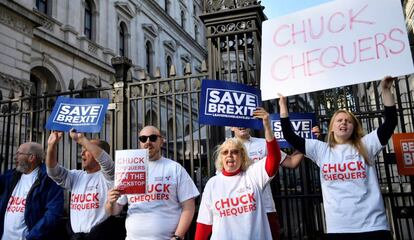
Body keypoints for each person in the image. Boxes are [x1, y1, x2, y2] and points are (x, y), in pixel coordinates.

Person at [278, 76, 397, 240]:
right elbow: (291, 137)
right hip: (339, 228)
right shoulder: (320, 149)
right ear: (332, 127)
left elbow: (390, 123)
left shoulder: (366, 145)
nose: (344, 123)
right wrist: (283, 107)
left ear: (353, 127)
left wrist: (385, 90)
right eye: (339, 120)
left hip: (373, 226)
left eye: (348, 121)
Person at [195, 107, 282, 240]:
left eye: (235, 152)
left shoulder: (253, 175)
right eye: (225, 152)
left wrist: (267, 127)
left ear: (242, 156)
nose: (230, 155)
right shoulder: (213, 183)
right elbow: (204, 224)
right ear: (221, 158)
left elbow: (274, 159)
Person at [105, 125, 199, 240]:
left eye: (153, 138)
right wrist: (110, 202)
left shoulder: (174, 168)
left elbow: (189, 207)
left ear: (161, 141)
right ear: (140, 142)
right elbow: (115, 211)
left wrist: (178, 236)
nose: (148, 142)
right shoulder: (128, 169)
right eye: (143, 139)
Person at [231, 109, 304, 240]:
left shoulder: (264, 143)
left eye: (246, 119)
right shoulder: (226, 149)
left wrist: (306, 142)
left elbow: (292, 162)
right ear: (231, 126)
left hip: (265, 208)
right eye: (237, 120)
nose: (242, 124)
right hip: (238, 211)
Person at [46, 129, 115, 240]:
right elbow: (52, 172)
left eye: (87, 149)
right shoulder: (76, 176)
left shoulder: (108, 176)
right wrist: (51, 146)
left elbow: (106, 162)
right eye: (82, 149)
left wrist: (81, 139)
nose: (82, 152)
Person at [0, 142, 64, 240]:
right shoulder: (10, 176)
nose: (15, 157)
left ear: (31, 158)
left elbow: (53, 214)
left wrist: (32, 237)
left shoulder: (49, 180)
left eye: (19, 153)